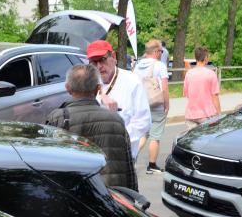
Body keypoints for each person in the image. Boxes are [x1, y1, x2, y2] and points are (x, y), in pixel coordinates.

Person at [45, 64, 137, 191]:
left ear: (67, 88)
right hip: (113, 197)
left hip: (74, 196)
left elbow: (46, 164)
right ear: (98, 88)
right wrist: (132, 197)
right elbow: (128, 166)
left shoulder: (57, 118)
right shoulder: (116, 120)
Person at [86, 39, 151, 159]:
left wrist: (117, 139)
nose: (99, 66)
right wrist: (100, 98)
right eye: (94, 62)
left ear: (114, 57)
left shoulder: (132, 81)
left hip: (122, 154)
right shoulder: (88, 82)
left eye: (102, 59)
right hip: (95, 155)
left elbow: (144, 121)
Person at [134, 39, 170, 174]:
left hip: (142, 104)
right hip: (156, 104)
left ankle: (132, 158)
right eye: (161, 51)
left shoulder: (138, 66)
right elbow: (165, 88)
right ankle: (152, 166)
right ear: (155, 51)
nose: (162, 53)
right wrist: (167, 104)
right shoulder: (159, 66)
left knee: (143, 134)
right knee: (155, 136)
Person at [183, 46, 221, 128]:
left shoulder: (188, 74)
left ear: (196, 58)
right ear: (206, 58)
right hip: (207, 115)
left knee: (192, 140)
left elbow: (187, 95)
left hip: (191, 115)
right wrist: (219, 114)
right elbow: (215, 97)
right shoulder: (211, 74)